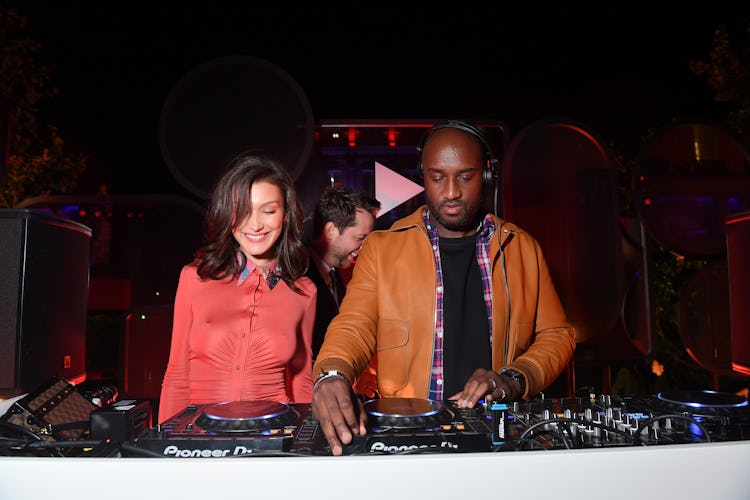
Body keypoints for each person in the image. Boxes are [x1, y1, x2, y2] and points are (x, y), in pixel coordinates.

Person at [311, 120, 576, 455]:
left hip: (500, 441)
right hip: (410, 438)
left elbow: (557, 333)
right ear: (423, 178)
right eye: (438, 177)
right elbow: (354, 324)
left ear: (487, 176)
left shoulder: (522, 248)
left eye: (465, 176)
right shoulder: (383, 248)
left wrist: (515, 377)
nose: (451, 191)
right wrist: (333, 372)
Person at [158, 152, 316, 423]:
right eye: (241, 211)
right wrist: (167, 442)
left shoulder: (304, 291)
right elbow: (177, 373)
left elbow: (302, 381)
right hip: (201, 436)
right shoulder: (194, 278)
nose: (254, 224)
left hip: (272, 436)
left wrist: (307, 444)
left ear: (286, 215)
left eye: (268, 211)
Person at [305, 186, 381, 361]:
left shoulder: (336, 275)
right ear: (331, 231)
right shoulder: (298, 275)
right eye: (360, 238)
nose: (365, 247)